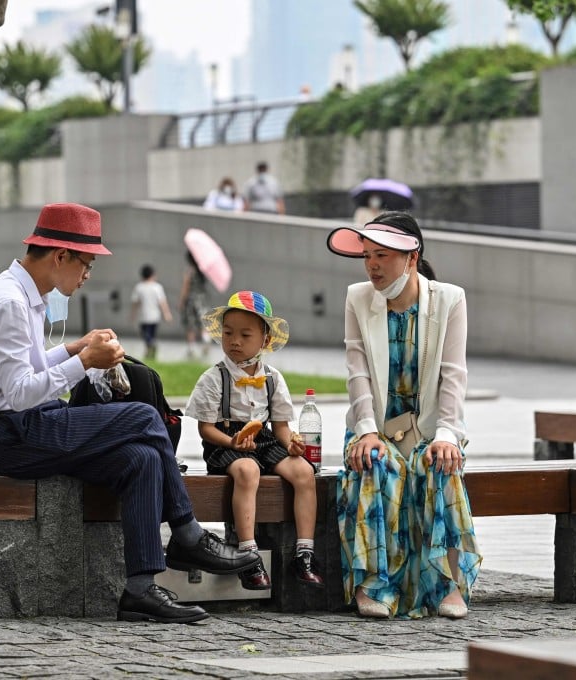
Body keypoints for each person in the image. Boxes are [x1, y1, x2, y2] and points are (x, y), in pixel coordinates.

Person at [0, 202, 261, 624]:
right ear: (60, 255)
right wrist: (86, 363)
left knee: (141, 459)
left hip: (21, 427)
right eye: (86, 264)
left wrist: (75, 348)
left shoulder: (21, 295)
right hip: (12, 433)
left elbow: (24, 369)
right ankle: (187, 533)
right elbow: (20, 392)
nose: (87, 275)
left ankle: (139, 589)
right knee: (142, 416)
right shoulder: (10, 301)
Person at [325, 210, 482, 620]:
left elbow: (454, 376)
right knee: (373, 462)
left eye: (382, 255)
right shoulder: (358, 298)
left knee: (440, 463)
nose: (372, 265)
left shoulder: (450, 299)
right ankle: (373, 583)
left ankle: (448, 582)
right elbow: (356, 372)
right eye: (367, 256)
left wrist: (447, 434)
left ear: (411, 258)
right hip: (375, 427)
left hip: (431, 429)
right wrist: (365, 431)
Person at [185, 291, 324, 591]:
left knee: (304, 471)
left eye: (245, 334)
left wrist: (292, 446)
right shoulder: (214, 378)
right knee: (248, 470)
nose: (234, 341)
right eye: (228, 333)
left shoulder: (273, 378)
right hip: (225, 442)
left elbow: (281, 428)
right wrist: (232, 442)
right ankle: (248, 555)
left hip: (264, 439)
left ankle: (305, 553)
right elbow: (205, 429)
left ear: (264, 340)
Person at [130, 264, 173, 360]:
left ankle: (149, 348)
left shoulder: (139, 287)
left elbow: (135, 303)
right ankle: (150, 348)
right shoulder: (157, 287)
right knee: (151, 334)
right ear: (152, 275)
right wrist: (167, 314)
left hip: (143, 317)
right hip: (154, 317)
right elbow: (162, 302)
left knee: (145, 335)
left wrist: (133, 315)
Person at [178, 251, 210, 359]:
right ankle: (206, 340)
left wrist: (181, 302)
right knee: (202, 324)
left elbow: (186, 287)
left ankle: (191, 348)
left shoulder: (190, 271)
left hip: (191, 301)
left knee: (190, 325)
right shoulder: (202, 272)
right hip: (201, 300)